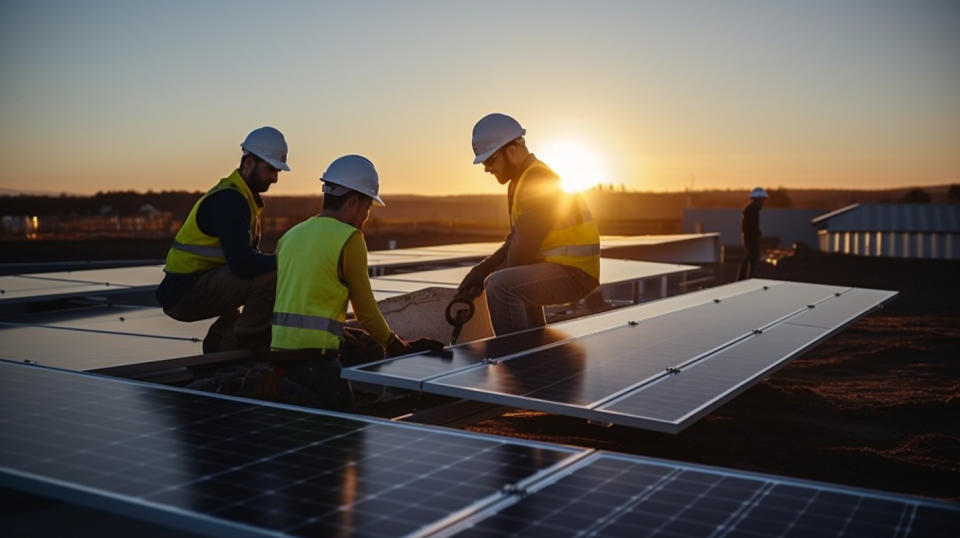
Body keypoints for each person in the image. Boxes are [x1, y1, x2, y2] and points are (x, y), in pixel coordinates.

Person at [270, 154, 444, 410]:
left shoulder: (290, 236)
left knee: (366, 348)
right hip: (314, 357)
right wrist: (398, 347)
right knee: (344, 426)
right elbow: (366, 311)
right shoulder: (349, 238)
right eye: (367, 207)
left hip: (277, 351)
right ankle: (278, 390)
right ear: (353, 201)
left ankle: (279, 385)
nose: (366, 216)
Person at [455, 113, 600, 336]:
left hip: (573, 273)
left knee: (501, 286)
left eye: (490, 160)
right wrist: (479, 272)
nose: (486, 168)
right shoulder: (522, 181)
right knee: (514, 280)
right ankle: (536, 350)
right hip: (562, 269)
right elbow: (515, 242)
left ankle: (517, 360)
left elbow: (521, 252)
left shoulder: (537, 180)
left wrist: (486, 278)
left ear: (511, 150)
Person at [156, 126, 288, 353]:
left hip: (193, 284)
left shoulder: (241, 197)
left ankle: (221, 337)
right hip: (185, 293)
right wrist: (286, 260)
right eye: (270, 169)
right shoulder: (231, 200)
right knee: (272, 277)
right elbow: (242, 265)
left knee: (259, 276)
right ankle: (243, 342)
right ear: (248, 163)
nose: (275, 178)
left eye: (277, 171)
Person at [737, 187, 768, 280]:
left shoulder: (752, 209)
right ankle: (749, 277)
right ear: (758, 199)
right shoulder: (752, 210)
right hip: (750, 238)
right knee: (753, 257)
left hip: (750, 237)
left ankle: (745, 277)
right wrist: (756, 234)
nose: (763, 202)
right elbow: (750, 226)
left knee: (750, 256)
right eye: (762, 200)